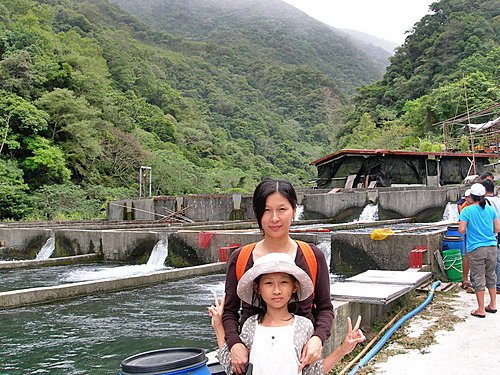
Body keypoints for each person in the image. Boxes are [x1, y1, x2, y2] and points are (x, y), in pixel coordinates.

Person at [222, 178, 334, 375]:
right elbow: (230, 312)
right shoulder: (241, 258)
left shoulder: (312, 256)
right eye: (266, 210)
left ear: (294, 210)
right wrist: (234, 343)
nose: (274, 218)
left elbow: (324, 307)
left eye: (282, 209)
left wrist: (318, 338)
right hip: (253, 362)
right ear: (257, 213)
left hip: (301, 363)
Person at [209, 253, 365, 375]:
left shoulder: (304, 326)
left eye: (283, 282)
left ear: (294, 287)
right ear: (258, 288)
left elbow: (314, 371)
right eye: (268, 283)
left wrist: (343, 349)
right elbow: (232, 364)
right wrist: (218, 325)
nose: (277, 290)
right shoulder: (251, 325)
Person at [458, 183, 499, 318]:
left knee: (478, 277)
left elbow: (461, 230)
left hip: (476, 248)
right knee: (491, 275)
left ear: (470, 197)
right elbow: (497, 229)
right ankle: (493, 304)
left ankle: (481, 309)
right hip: (492, 246)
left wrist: (472, 229)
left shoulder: (467, 211)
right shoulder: (490, 209)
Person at [482, 179, 500, 295]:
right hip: (498, 231)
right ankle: (497, 285)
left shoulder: (485, 202)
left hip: (490, 232)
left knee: (490, 260)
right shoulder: (498, 200)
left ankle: (491, 285)